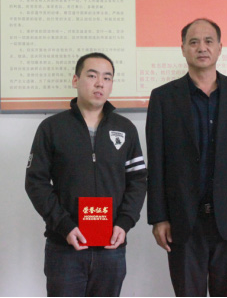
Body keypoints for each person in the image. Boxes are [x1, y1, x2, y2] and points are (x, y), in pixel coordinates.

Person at [146, 18, 227, 297]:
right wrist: (158, 217)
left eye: (209, 41)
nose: (202, 47)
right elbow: (157, 163)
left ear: (220, 47)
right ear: (183, 49)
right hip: (182, 220)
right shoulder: (163, 97)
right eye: (194, 42)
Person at [25, 52, 147, 297]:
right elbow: (36, 182)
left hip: (111, 247)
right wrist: (64, 225)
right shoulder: (52, 128)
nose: (100, 83)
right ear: (75, 80)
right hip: (65, 247)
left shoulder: (125, 129)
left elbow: (138, 180)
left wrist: (125, 222)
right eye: (92, 76)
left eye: (107, 78)